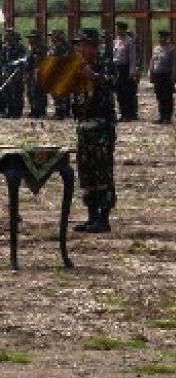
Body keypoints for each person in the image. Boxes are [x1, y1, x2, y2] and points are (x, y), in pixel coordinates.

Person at [70, 28, 117, 234]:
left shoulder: (105, 63)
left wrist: (94, 76)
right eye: (78, 45)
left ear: (93, 46)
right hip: (84, 126)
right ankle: (91, 216)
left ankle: (103, 218)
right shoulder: (78, 66)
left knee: (102, 171)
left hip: (101, 128)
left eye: (83, 45)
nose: (79, 49)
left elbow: (113, 83)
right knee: (86, 171)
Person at [112, 22, 139, 122]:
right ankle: (122, 113)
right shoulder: (116, 41)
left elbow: (132, 57)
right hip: (117, 68)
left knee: (127, 92)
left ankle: (129, 114)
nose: (116, 30)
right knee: (119, 92)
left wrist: (132, 72)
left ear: (123, 29)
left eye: (118, 29)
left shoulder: (129, 41)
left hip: (125, 68)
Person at [150, 29, 174, 124]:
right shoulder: (156, 48)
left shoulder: (171, 49)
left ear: (167, 38)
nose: (161, 39)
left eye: (163, 37)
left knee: (167, 96)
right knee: (159, 96)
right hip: (157, 75)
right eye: (160, 37)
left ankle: (167, 117)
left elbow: (174, 64)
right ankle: (161, 116)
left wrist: (173, 77)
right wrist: (151, 74)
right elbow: (152, 61)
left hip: (167, 75)